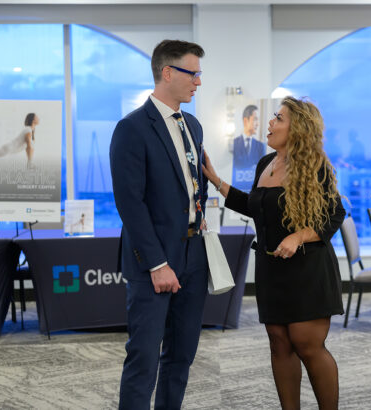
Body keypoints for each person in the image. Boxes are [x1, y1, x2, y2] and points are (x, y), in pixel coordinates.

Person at [203, 96, 345, 409]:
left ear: (297, 129)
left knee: (308, 346)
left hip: (308, 270)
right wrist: (217, 181)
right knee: (280, 345)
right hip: (271, 269)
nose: (270, 123)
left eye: (278, 118)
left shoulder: (314, 166)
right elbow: (255, 207)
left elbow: (334, 215)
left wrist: (298, 236)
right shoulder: (265, 164)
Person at [109, 40, 209, 410]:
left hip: (193, 256)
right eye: (192, 73)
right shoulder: (132, 128)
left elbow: (190, 186)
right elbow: (129, 204)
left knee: (181, 356)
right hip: (154, 262)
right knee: (144, 359)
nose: (198, 81)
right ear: (167, 73)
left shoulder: (193, 126)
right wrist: (157, 263)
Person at [231, 104, 266, 191]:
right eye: (255, 119)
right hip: (237, 189)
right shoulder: (234, 143)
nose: (257, 124)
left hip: (255, 190)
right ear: (246, 121)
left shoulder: (260, 146)